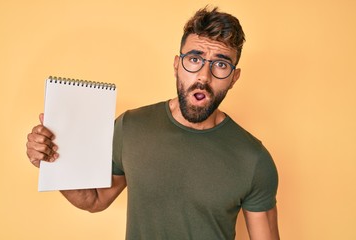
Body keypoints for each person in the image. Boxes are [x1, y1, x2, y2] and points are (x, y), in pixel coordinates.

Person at [26, 6, 280, 240]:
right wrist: (53, 163)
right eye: (194, 59)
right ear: (176, 65)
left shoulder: (254, 159)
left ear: (234, 78)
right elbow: (94, 200)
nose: (204, 76)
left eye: (221, 65)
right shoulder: (132, 126)